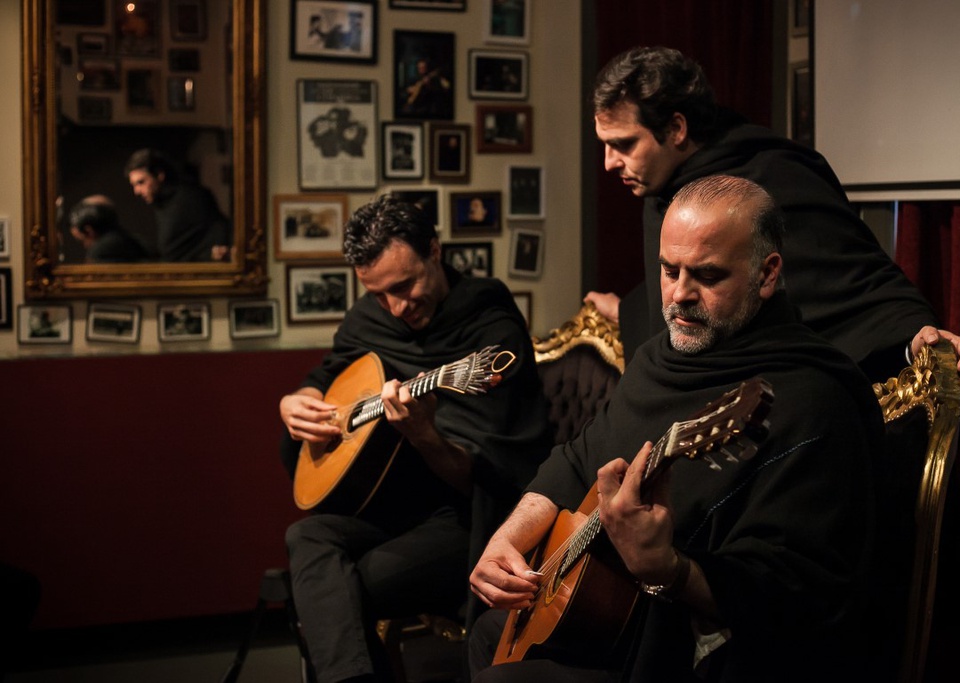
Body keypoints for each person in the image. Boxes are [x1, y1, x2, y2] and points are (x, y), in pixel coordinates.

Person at [468, 175, 886, 682]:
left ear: (767, 273)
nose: (679, 295)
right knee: (491, 634)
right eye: (669, 271)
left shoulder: (812, 400)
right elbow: (576, 458)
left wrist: (667, 570)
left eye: (707, 276)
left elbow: (795, 592)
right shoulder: (656, 361)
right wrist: (506, 539)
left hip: (701, 654)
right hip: (611, 620)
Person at [583, 47, 960, 393]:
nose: (609, 163)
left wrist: (915, 339)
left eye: (623, 144)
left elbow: (848, 283)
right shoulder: (662, 191)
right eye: (604, 145)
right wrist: (630, 311)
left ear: (676, 128)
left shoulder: (773, 177)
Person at [278, 195, 552, 683]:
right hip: (394, 505)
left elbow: (486, 477)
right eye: (380, 294)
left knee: (349, 584)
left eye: (405, 286)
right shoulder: (374, 315)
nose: (396, 307)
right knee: (306, 534)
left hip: (467, 519)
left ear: (434, 250)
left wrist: (424, 435)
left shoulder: (489, 327)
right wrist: (296, 399)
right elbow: (328, 372)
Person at [124, 148, 231, 262]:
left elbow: (216, 235)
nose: (137, 191)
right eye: (134, 185)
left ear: (160, 175)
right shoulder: (162, 204)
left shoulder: (191, 197)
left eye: (141, 182)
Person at [67, 195, 149, 263]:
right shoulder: (136, 242)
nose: (85, 246)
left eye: (82, 240)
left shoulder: (100, 252)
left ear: (89, 231)